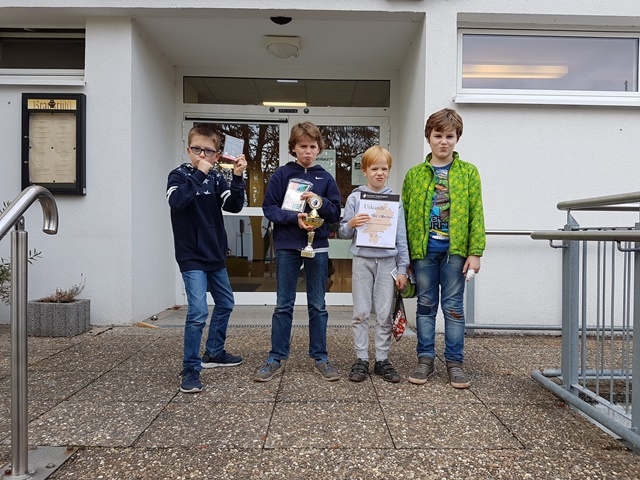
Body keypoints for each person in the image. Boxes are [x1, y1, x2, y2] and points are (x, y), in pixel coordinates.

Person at [401, 108, 485, 389]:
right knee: (425, 306)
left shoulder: (468, 173)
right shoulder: (414, 175)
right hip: (423, 253)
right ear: (428, 137)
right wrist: (405, 256)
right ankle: (425, 358)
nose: (443, 142)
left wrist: (475, 251)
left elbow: (476, 214)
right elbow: (405, 216)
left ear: (457, 138)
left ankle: (454, 362)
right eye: (438, 136)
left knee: (453, 308)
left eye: (449, 136)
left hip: (455, 253)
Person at [254, 121, 341, 382]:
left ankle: (321, 357)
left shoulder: (325, 178)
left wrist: (319, 201)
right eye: (303, 146)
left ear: (319, 149)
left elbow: (335, 212)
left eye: (312, 146)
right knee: (283, 304)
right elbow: (269, 208)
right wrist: (294, 219)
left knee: (318, 304)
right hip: (288, 245)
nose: (308, 151)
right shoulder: (282, 175)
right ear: (293, 147)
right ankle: (275, 357)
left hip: (318, 245)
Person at [166, 123, 248, 393]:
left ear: (217, 154)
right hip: (191, 256)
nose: (202, 155)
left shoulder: (217, 178)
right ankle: (191, 367)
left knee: (225, 303)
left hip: (215, 253)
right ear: (188, 150)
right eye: (197, 149)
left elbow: (234, 205)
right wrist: (199, 173)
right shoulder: (178, 176)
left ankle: (214, 352)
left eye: (208, 151)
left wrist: (237, 177)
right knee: (198, 312)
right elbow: (177, 202)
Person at [338, 146, 410, 383]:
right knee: (360, 312)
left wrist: (403, 268)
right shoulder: (355, 198)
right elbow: (343, 232)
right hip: (362, 260)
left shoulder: (395, 201)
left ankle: (382, 359)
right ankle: (361, 358)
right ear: (365, 171)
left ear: (389, 171)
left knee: (383, 313)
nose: (380, 173)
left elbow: (401, 237)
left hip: (387, 262)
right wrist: (352, 224)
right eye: (374, 168)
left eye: (384, 169)